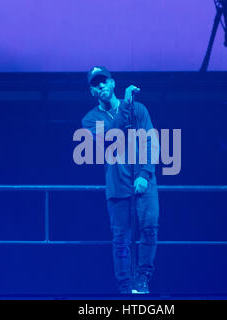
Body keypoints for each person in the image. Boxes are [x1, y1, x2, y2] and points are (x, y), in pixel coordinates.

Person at [81, 66, 160, 294]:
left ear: (112, 83)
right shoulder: (90, 119)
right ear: (92, 92)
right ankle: (125, 287)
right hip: (117, 186)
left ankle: (142, 279)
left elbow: (150, 142)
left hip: (145, 183)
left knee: (149, 230)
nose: (100, 86)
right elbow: (110, 137)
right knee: (120, 239)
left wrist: (145, 174)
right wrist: (125, 105)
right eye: (95, 84)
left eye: (103, 81)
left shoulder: (139, 109)